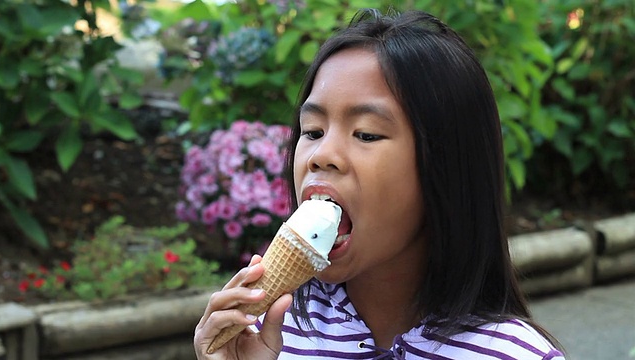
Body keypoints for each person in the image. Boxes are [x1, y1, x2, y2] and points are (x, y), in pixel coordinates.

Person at [194, 8, 565, 360]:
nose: (321, 155)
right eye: (312, 131)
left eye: (367, 134)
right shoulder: (269, 336)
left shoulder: (514, 353)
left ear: (445, 168)